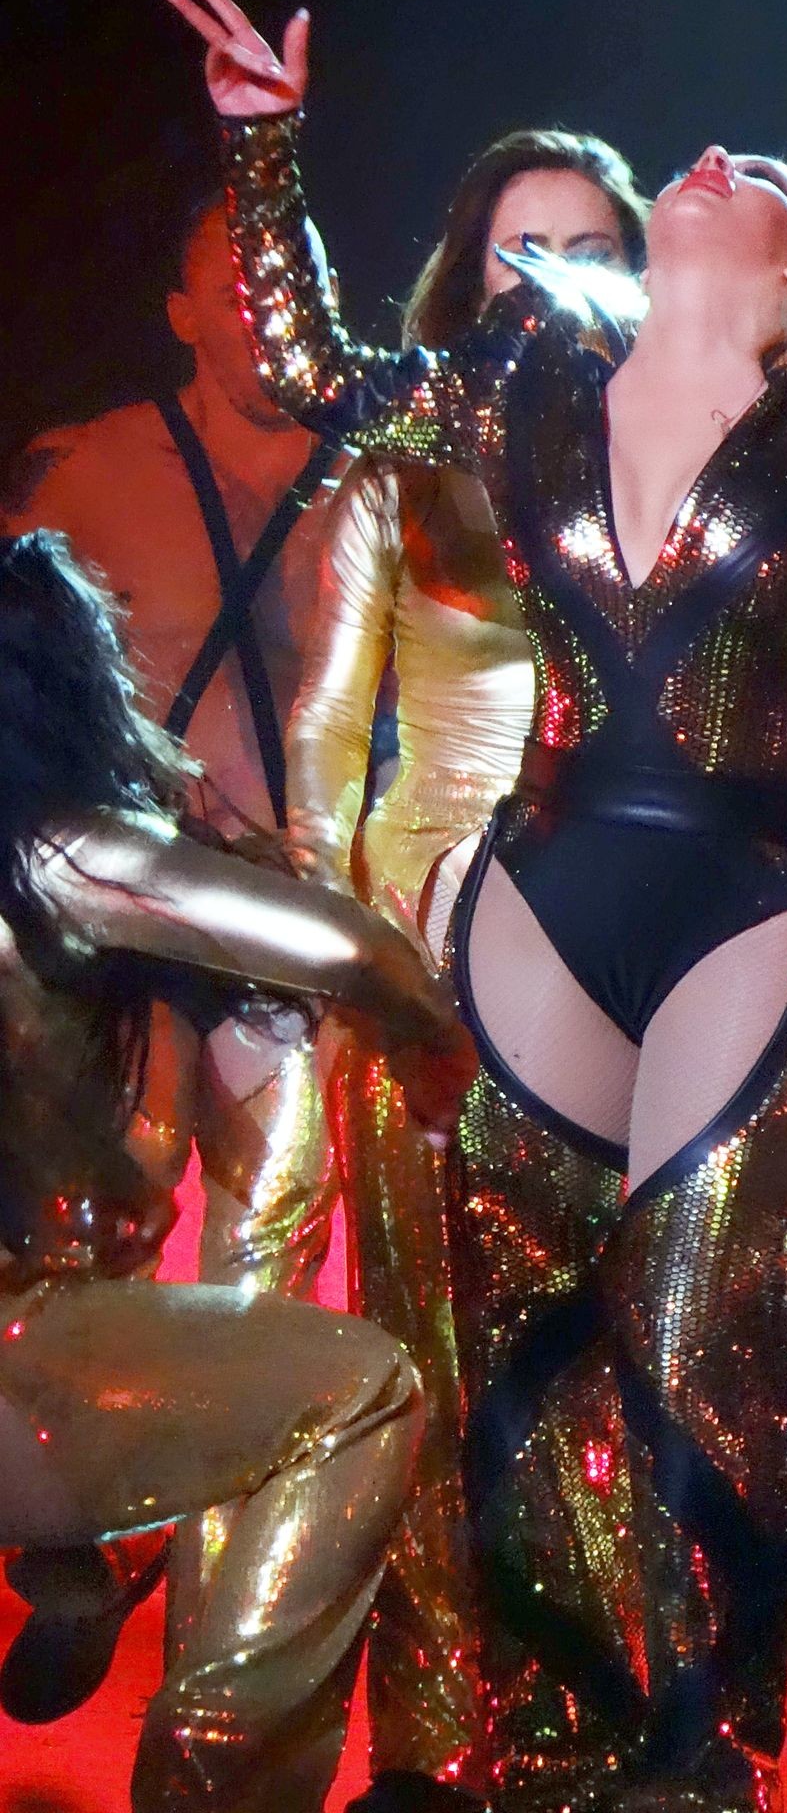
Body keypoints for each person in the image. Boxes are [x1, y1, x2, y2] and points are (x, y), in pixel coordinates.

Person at [166, 0, 787, 1813]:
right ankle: (537, 1746)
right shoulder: (526, 379)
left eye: (772, 182)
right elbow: (320, 374)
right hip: (539, 887)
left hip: (751, 906)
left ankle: (701, 1755)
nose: (721, 158)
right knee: (519, 1344)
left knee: (692, 1337)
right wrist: (265, 150)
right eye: (712, 160)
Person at [0, 525, 478, 1812]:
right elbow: (345, 947)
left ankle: (83, 1553)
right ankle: (213, 1772)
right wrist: (429, 1038)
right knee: (360, 1390)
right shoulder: (53, 850)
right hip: (17, 1362)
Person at [285, 128, 646, 1811]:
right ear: (467, 274)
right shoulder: (400, 467)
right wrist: (344, 948)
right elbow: (324, 730)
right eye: (521, 247)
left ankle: (590, 1725)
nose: (554, 278)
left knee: (600, 1350)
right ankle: (438, 1739)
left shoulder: (678, 463)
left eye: (589, 246)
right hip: (428, 937)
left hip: (621, 943)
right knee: (424, 1339)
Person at [0, 191, 349, 1708]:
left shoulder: (383, 473)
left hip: (292, 941)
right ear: (182, 311)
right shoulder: (89, 468)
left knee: (265, 1272)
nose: (267, 307)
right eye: (236, 280)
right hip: (127, 942)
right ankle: (80, 1533)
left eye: (290, 278)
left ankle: (215, 1652)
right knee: (91, 1256)